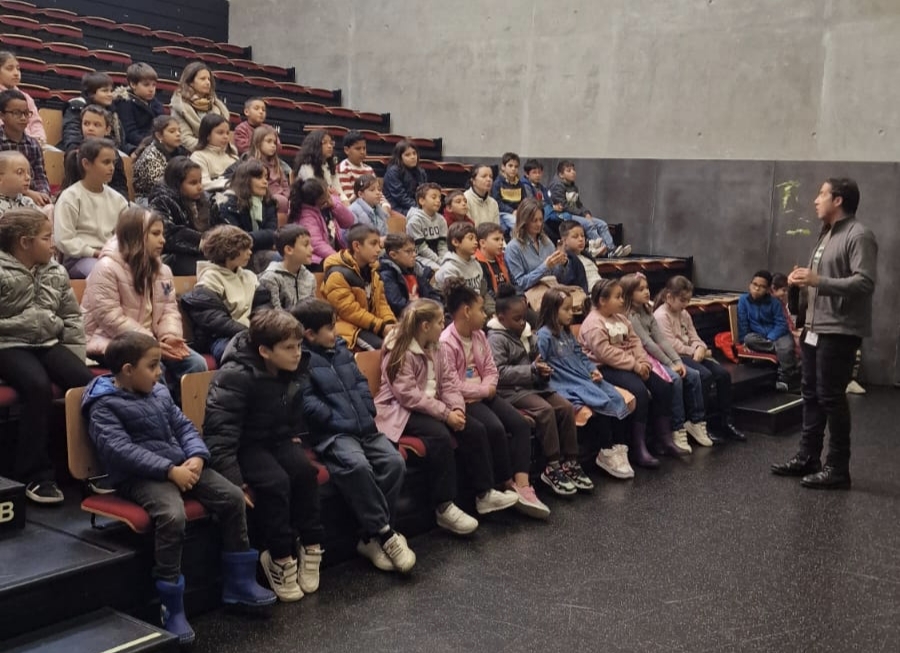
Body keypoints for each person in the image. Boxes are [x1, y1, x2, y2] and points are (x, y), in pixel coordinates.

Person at [83, 332, 275, 644]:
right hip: (140, 477)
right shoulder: (103, 404)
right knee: (172, 516)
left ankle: (238, 584)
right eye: (152, 366)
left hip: (181, 465)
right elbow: (119, 450)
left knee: (231, 497)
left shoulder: (158, 391)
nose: (160, 372)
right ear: (128, 370)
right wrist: (169, 471)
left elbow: (184, 426)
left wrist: (197, 456)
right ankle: (170, 605)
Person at [204, 309, 324, 601]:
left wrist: (293, 432)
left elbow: (292, 406)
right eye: (289, 347)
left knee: (305, 473)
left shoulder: (292, 367)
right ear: (264, 351)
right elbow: (219, 435)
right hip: (244, 446)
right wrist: (234, 481)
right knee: (275, 482)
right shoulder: (235, 376)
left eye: (299, 345)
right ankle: (279, 557)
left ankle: (310, 545)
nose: (297, 353)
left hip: (277, 438)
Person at [293, 299, 415, 572]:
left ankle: (369, 537)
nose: (335, 332)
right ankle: (386, 533)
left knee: (394, 463)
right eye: (329, 328)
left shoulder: (341, 350)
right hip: (334, 434)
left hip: (364, 426)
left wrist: (367, 408)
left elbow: (360, 382)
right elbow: (307, 402)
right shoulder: (301, 360)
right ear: (309, 334)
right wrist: (336, 418)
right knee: (357, 466)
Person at [772, 178, 877, 489]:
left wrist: (818, 280)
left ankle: (838, 468)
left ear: (839, 200)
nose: (815, 200)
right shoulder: (826, 234)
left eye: (821, 194)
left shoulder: (859, 235)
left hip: (840, 329)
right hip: (815, 328)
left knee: (831, 397)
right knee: (811, 394)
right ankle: (808, 457)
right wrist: (799, 282)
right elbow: (818, 280)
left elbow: (865, 282)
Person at [0, 208, 95, 504]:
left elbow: (71, 317)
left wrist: (75, 358)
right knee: (37, 386)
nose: (53, 244)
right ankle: (35, 475)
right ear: (24, 242)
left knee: (87, 383)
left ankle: (88, 465)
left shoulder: (56, 271)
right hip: (7, 344)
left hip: (47, 342)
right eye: (46, 238)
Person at [440, 280, 547, 518]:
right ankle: (505, 484)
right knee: (494, 428)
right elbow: (452, 384)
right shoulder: (446, 343)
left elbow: (491, 369)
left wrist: (489, 386)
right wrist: (482, 391)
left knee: (519, 424)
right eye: (480, 309)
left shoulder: (479, 335)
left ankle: (522, 485)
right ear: (466, 311)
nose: (485, 314)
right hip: (464, 400)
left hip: (486, 393)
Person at [373, 299, 479, 535]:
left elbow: (449, 382)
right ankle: (444, 506)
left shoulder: (436, 346)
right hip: (400, 410)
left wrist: (457, 409)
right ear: (425, 326)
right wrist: (446, 414)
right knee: (440, 434)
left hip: (431, 405)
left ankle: (480, 493)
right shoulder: (398, 350)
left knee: (471, 426)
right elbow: (408, 396)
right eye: (440, 322)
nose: (444, 326)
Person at [81, 207, 208, 386]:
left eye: (162, 234)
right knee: (153, 368)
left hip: (152, 341)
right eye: (155, 234)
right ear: (136, 236)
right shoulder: (106, 268)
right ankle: (163, 404)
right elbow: (110, 317)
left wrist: (168, 336)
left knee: (196, 364)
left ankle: (182, 404)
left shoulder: (163, 270)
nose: (163, 240)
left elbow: (169, 310)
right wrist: (150, 343)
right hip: (113, 342)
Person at [486, 286, 588, 489]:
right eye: (517, 319)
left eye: (524, 318)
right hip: (510, 391)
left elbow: (536, 357)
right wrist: (531, 370)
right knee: (545, 410)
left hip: (533, 385)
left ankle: (571, 461)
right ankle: (552, 465)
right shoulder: (496, 338)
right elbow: (499, 373)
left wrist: (542, 368)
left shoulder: (525, 332)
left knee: (566, 407)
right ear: (501, 318)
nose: (522, 322)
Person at [579, 278, 685, 470]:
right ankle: (638, 447)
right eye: (618, 297)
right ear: (603, 301)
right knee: (639, 392)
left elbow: (636, 342)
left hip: (632, 364)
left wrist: (643, 362)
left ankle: (663, 439)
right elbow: (606, 353)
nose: (622, 300)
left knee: (663, 387)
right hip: (605, 368)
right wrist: (635, 365)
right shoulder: (593, 323)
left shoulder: (621, 318)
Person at [536, 287, 630, 490]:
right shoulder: (544, 336)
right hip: (562, 380)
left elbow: (581, 356)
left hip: (580, 374)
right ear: (552, 310)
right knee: (598, 399)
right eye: (566, 309)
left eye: (572, 309)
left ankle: (616, 448)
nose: (571, 313)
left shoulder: (567, 332)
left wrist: (593, 370)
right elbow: (539, 364)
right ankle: (606, 450)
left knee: (613, 395)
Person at [621, 273, 712, 452]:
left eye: (647, 288)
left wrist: (677, 361)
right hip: (643, 356)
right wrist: (671, 364)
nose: (646, 292)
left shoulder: (647, 310)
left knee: (693, 375)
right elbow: (647, 343)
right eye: (640, 289)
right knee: (674, 379)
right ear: (629, 293)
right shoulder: (631, 315)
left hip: (658, 354)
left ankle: (696, 421)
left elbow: (661, 339)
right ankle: (676, 428)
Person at [653, 275, 745, 442]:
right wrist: (694, 351)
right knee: (704, 375)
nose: (686, 304)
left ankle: (726, 421)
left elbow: (694, 335)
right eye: (682, 300)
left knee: (723, 375)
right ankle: (699, 421)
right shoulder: (661, 316)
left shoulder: (684, 313)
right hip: (675, 356)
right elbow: (670, 344)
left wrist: (700, 347)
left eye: (688, 300)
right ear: (669, 297)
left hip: (692, 352)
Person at [178, 225, 267, 364]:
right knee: (245, 354)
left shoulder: (250, 276)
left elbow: (264, 306)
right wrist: (249, 333)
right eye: (244, 249)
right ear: (228, 251)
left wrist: (261, 330)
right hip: (222, 337)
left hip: (253, 333)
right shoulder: (210, 279)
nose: (250, 253)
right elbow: (215, 320)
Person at [54, 138, 130, 279]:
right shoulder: (70, 197)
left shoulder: (118, 200)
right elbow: (64, 239)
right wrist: (94, 252)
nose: (112, 168)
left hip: (111, 257)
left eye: (113, 163)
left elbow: (125, 237)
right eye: (106, 162)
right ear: (86, 164)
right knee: (105, 273)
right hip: (78, 259)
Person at [321, 224, 396, 350]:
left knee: (402, 341)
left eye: (379, 244)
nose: (379, 249)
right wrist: (382, 327)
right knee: (385, 349)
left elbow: (381, 303)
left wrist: (390, 323)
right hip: (348, 327)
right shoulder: (337, 274)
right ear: (356, 246)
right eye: (373, 244)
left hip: (370, 324)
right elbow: (349, 311)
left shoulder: (372, 271)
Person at [548, 160, 631, 258]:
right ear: (561, 175)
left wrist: (586, 213)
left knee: (602, 224)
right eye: (569, 170)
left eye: (573, 170)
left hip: (576, 213)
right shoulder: (557, 185)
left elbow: (578, 204)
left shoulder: (573, 186)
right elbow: (564, 206)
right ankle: (602, 249)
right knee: (588, 224)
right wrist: (582, 214)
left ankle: (612, 249)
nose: (573, 172)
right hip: (564, 215)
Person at [148, 156, 211, 276]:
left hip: (203, 250)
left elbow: (216, 225)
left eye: (200, 181)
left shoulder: (205, 200)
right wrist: (204, 240)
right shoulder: (161, 200)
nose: (200, 187)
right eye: (193, 183)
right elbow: (168, 234)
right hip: (173, 256)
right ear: (177, 184)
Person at [738, 269, 799, 392]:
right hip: (758, 336)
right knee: (749, 339)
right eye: (754, 284)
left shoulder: (775, 302)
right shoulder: (744, 300)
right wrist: (743, 340)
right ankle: (786, 357)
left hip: (778, 335)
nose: (756, 289)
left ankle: (784, 378)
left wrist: (771, 337)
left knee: (786, 345)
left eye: (761, 287)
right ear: (750, 285)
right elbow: (742, 322)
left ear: (767, 289)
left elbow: (781, 324)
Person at [211, 159, 277, 257]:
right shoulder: (227, 203)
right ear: (245, 180)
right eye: (259, 178)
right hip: (232, 256)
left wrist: (248, 236)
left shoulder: (268, 202)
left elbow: (273, 233)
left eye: (266, 177)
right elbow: (235, 240)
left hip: (257, 251)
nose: (265, 182)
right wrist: (261, 237)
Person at [289, 177, 354, 270]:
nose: (329, 194)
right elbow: (316, 244)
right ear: (317, 199)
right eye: (326, 194)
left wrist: (335, 205)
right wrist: (339, 258)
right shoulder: (306, 216)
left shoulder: (328, 204)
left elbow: (349, 221)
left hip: (333, 252)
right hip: (315, 260)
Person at [0, 89, 50, 207]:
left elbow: (40, 176)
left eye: (26, 113)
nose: (23, 118)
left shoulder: (33, 144)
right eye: (16, 113)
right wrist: (26, 193)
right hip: (4, 197)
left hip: (31, 198)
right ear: (2, 115)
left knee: (48, 208)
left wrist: (43, 194)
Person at [505, 198, 566, 292]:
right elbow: (519, 284)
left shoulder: (547, 242)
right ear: (524, 222)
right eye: (534, 220)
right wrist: (545, 267)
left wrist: (561, 263)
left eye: (541, 220)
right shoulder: (513, 248)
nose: (539, 224)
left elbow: (557, 277)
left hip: (551, 291)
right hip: (530, 295)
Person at [436, 221, 495, 317]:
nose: (476, 242)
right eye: (471, 238)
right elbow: (455, 302)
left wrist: (492, 313)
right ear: (455, 242)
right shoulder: (450, 268)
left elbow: (483, 292)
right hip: (459, 313)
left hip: (476, 309)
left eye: (476, 239)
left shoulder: (476, 264)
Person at [169, 62, 229, 152]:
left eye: (209, 79)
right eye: (202, 79)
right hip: (193, 153)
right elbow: (185, 139)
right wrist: (209, 149)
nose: (208, 82)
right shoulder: (180, 107)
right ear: (190, 82)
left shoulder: (216, 106)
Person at [378, 232, 441, 317]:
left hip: (425, 313)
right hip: (408, 318)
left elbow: (431, 294)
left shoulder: (417, 270)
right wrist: (421, 307)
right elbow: (398, 305)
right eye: (408, 251)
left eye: (414, 250)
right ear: (393, 255)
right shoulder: (387, 275)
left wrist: (438, 308)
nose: (414, 255)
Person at [61, 72, 123, 152]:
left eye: (111, 91)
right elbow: (72, 133)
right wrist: (77, 152)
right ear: (91, 93)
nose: (110, 94)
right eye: (105, 91)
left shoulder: (112, 112)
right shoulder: (77, 106)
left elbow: (118, 141)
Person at [76, 104, 129, 198]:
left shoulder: (113, 154)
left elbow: (120, 187)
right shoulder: (75, 153)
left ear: (107, 130)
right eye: (86, 124)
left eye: (96, 125)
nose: (90, 128)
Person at [258, 224, 316, 310]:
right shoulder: (271, 278)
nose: (312, 249)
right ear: (289, 250)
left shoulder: (310, 277)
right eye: (306, 245)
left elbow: (312, 310)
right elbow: (274, 313)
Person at [133, 115, 192, 199]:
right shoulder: (150, 156)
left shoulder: (182, 151)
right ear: (159, 136)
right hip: (149, 198)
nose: (178, 134)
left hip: (178, 193)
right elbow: (161, 186)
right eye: (172, 131)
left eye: (179, 131)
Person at [114, 62, 165, 154]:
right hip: (135, 147)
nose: (151, 89)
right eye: (146, 85)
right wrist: (153, 143)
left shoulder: (156, 104)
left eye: (154, 85)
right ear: (133, 84)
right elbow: (130, 134)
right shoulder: (125, 103)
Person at [0, 51, 46, 145]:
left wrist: (38, 138)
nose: (16, 73)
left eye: (18, 69)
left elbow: (35, 122)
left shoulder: (26, 97)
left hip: (30, 142)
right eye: (9, 69)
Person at [337, 131, 388, 211]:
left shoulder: (369, 169)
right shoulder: (343, 169)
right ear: (347, 150)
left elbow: (378, 192)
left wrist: (385, 206)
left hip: (374, 206)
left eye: (364, 148)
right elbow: (349, 199)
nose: (362, 152)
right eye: (358, 148)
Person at [294, 129, 347, 204]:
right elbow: (315, 192)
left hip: (331, 201)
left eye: (331, 143)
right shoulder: (306, 167)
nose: (330, 146)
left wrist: (346, 202)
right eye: (324, 143)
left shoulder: (329, 165)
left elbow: (339, 190)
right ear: (314, 146)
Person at [247, 125, 290, 215]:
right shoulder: (252, 164)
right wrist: (279, 198)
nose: (273, 146)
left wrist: (286, 196)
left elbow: (285, 185)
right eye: (269, 141)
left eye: (274, 142)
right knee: (281, 201)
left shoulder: (277, 164)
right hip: (265, 198)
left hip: (282, 198)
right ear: (258, 143)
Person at [190, 114, 238, 192]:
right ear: (207, 135)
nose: (226, 136)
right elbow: (204, 184)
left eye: (227, 133)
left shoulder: (233, 156)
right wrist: (230, 183)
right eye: (220, 133)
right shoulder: (198, 156)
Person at [406, 181, 447, 272]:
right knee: (439, 272)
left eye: (439, 198)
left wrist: (443, 260)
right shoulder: (415, 221)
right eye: (434, 197)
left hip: (438, 257)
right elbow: (422, 249)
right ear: (422, 201)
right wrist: (439, 262)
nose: (438, 201)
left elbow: (443, 245)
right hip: (419, 257)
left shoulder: (441, 219)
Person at [558, 219, 602, 295]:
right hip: (588, 294)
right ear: (564, 241)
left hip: (601, 288)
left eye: (582, 236)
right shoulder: (566, 260)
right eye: (575, 237)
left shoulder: (588, 257)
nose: (581, 239)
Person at [382, 140, 427, 215]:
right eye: (407, 155)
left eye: (414, 153)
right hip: (397, 208)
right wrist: (419, 208)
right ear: (399, 157)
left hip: (414, 207)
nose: (413, 157)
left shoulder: (420, 172)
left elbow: (424, 193)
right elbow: (400, 197)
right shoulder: (393, 172)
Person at [491, 152, 525, 237]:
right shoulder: (497, 183)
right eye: (510, 166)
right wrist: (512, 211)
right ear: (503, 167)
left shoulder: (520, 184)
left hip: (518, 213)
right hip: (503, 213)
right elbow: (497, 203)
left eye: (516, 167)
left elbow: (524, 200)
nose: (513, 169)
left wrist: (521, 211)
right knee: (517, 224)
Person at [474, 222, 512, 297]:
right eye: (496, 239)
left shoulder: (502, 259)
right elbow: (486, 292)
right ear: (482, 243)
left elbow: (512, 283)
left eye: (502, 239)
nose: (501, 243)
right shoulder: (477, 263)